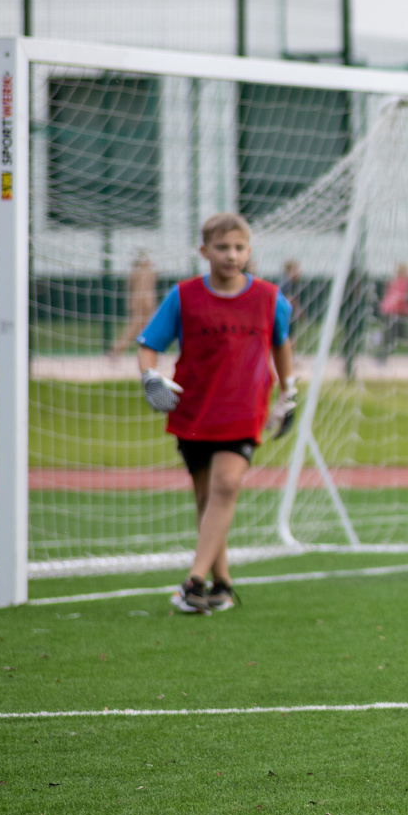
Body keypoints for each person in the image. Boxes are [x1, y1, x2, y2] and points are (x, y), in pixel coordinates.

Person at [134, 212, 300, 616]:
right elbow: (148, 344)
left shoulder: (268, 297)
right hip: (193, 410)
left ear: (249, 250)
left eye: (240, 247)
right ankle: (222, 584)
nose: (232, 255)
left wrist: (288, 389)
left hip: (244, 410)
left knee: (226, 486)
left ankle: (193, 581)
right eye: (222, 247)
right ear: (203, 251)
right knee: (207, 497)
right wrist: (149, 377)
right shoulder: (184, 295)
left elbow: (281, 343)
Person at [109, 251, 158, 358]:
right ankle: (116, 349)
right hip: (142, 304)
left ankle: (150, 353)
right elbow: (140, 290)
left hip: (141, 303)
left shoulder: (139, 273)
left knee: (144, 329)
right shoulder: (144, 273)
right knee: (135, 328)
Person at [376, 262, 408, 363]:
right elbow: (400, 298)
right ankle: (378, 343)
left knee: (394, 334)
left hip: (388, 309)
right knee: (393, 335)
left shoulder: (393, 281)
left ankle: (379, 343)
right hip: (393, 311)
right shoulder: (403, 282)